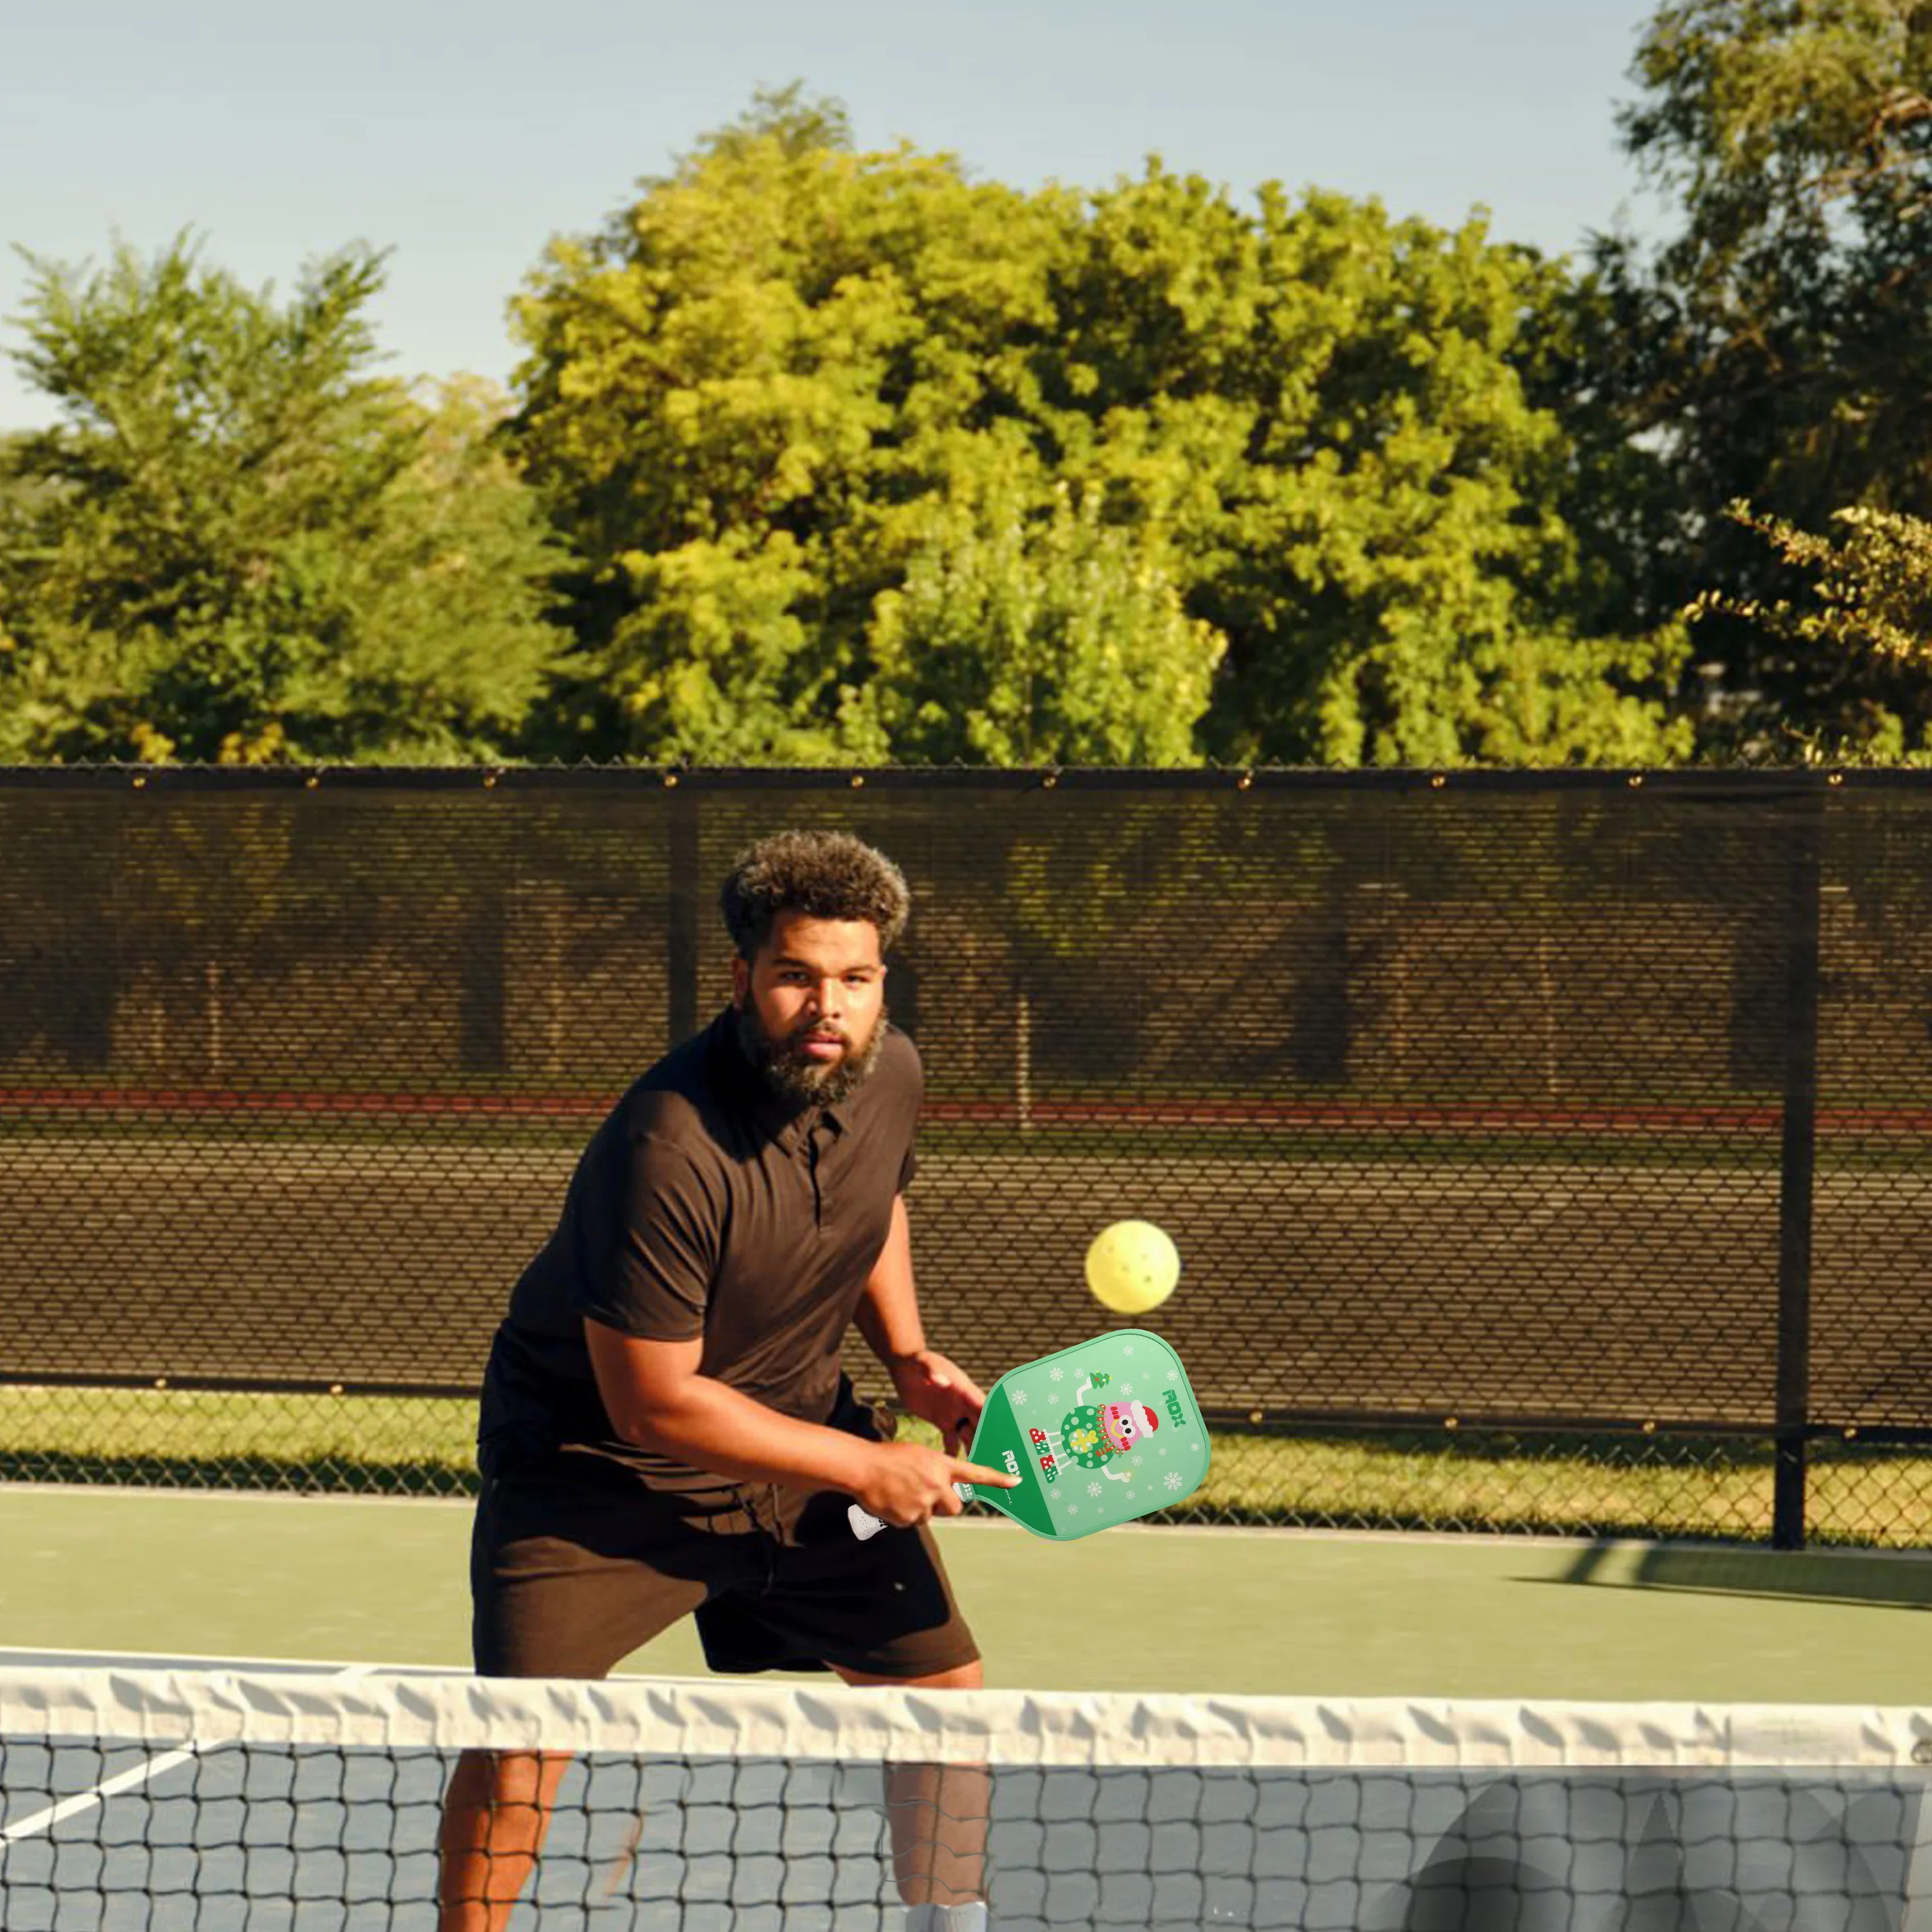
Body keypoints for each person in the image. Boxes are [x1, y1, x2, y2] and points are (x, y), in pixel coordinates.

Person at [437, 829, 1018, 1932]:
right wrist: (866, 1463)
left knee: (945, 1702)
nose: (827, 1007)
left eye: (855, 979)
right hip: (596, 1475)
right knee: (524, 1741)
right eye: (797, 976)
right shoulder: (667, 1144)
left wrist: (907, 1359)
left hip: (799, 1443)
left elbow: (875, 1200)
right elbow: (652, 1401)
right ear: (742, 978)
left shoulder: (890, 1069)